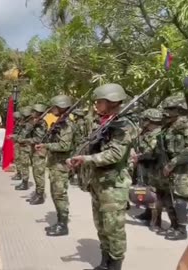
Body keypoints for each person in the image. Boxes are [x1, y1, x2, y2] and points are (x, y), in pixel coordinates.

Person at [67, 83, 136, 270]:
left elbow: (114, 154)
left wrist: (87, 159)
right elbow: (92, 145)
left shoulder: (124, 125)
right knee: (102, 226)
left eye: (100, 101)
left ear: (112, 101)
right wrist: (79, 158)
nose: (96, 104)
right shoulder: (104, 122)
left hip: (114, 185)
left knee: (114, 228)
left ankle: (115, 264)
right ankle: (105, 261)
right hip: (98, 183)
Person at [158, 94, 188, 241]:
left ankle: (182, 230)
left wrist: (172, 163)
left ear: (179, 109)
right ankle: (175, 225)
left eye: (170, 109)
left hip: (182, 167)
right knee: (169, 196)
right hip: (169, 165)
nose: (166, 112)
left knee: (180, 196)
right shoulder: (168, 125)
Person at [36, 96, 75, 236]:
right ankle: (59, 221)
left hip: (61, 165)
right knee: (55, 194)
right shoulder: (60, 122)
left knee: (59, 195)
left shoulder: (67, 125)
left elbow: (65, 146)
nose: (51, 109)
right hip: (55, 164)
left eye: (54, 107)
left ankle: (63, 225)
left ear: (62, 107)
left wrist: (46, 145)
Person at [24, 104, 48, 205]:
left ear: (39, 113)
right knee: (35, 172)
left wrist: (26, 140)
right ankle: (38, 193)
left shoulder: (41, 124)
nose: (32, 113)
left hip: (40, 151)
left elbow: (39, 139)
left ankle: (40, 195)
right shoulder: (36, 123)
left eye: (34, 112)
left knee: (39, 174)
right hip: (35, 151)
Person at [11, 106, 34, 191]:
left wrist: (16, 137)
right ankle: (23, 180)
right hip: (22, 144)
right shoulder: (23, 123)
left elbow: (24, 135)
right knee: (20, 161)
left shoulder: (29, 124)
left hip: (26, 146)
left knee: (24, 164)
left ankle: (25, 182)